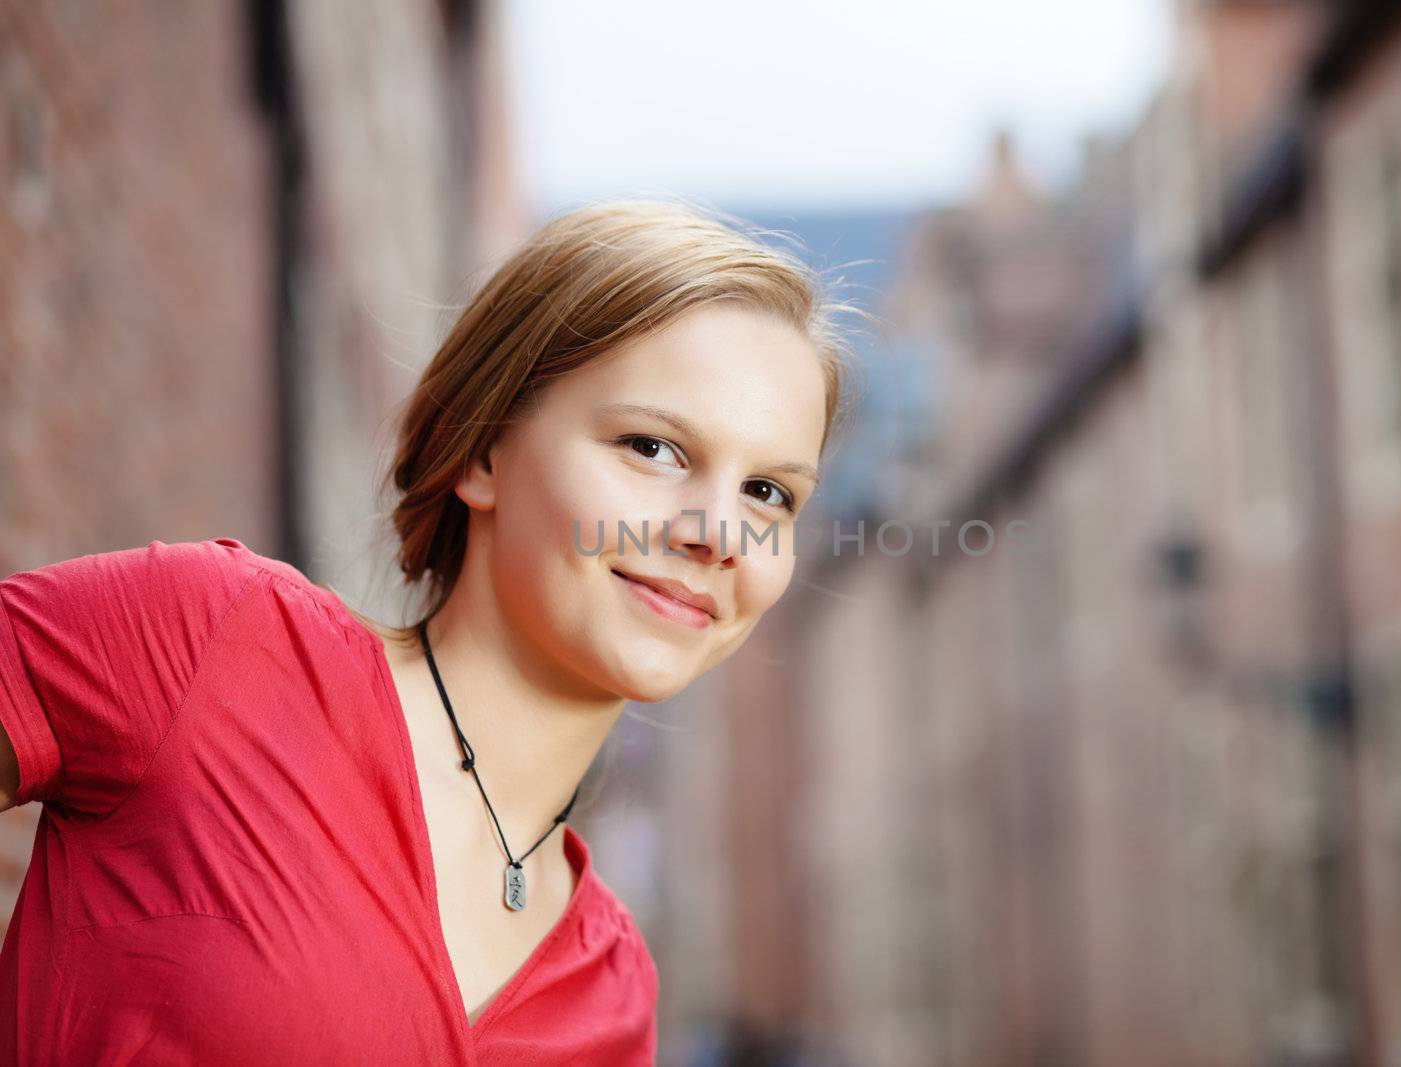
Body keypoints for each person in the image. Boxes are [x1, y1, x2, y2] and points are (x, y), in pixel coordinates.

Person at [0, 199, 859, 1065]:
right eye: (652, 447)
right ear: (479, 449)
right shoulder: (212, 637)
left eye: (769, 493)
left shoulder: (615, 989)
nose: (717, 532)